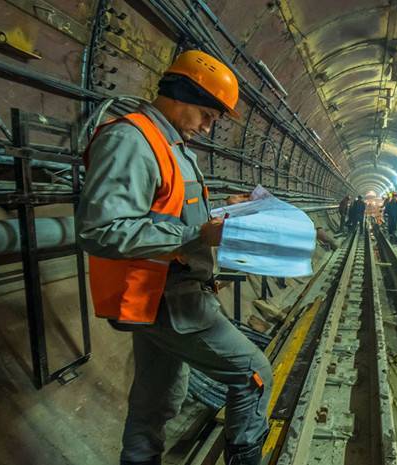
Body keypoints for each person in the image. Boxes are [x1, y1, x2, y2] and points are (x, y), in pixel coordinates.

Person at [76, 50, 272, 465]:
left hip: (162, 296)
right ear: (182, 95)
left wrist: (222, 209)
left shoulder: (169, 145)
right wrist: (199, 234)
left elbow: (168, 210)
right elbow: (100, 230)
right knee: (253, 376)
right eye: (206, 114)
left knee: (158, 400)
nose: (209, 125)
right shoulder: (131, 140)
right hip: (168, 300)